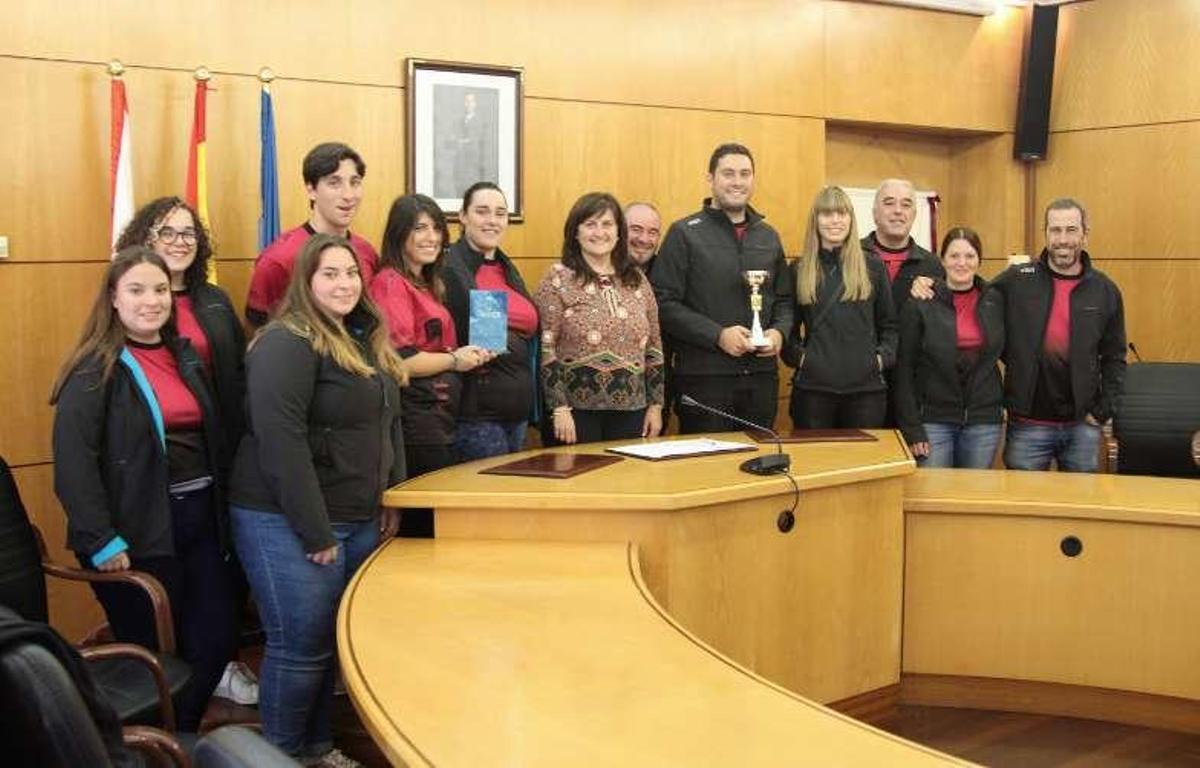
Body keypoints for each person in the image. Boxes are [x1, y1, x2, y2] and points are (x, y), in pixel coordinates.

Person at [229, 234, 407, 763]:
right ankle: (279, 757)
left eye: (350, 273)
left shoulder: (361, 336)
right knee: (298, 645)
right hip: (286, 519)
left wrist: (389, 495)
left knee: (329, 643)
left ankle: (318, 748)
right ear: (305, 283)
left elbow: (388, 422)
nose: (343, 283)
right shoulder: (286, 341)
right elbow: (279, 444)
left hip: (355, 514)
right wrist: (316, 531)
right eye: (329, 274)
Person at [51, 247, 236, 733]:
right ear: (113, 298)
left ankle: (174, 737)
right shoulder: (95, 367)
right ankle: (150, 745)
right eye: (136, 290)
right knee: (154, 659)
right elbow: (73, 465)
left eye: (159, 290)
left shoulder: (184, 355)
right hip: (135, 536)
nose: (151, 301)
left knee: (216, 638)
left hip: (201, 523)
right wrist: (100, 539)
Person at [115, 196, 255, 704]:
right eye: (166, 233)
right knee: (169, 605)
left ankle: (206, 682)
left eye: (188, 234)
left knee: (217, 595)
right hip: (153, 483)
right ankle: (173, 708)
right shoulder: (130, 314)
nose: (179, 242)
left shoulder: (213, 301)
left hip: (215, 463)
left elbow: (237, 378)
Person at [911, 198, 1127, 472]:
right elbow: (970, 287)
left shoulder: (1105, 291)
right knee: (1023, 510)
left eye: (1071, 230)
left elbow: (1115, 357)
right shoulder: (1017, 279)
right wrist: (929, 282)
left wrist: (1102, 411)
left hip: (1082, 427)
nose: (1063, 239)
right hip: (1027, 425)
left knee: (1080, 509)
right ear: (1045, 233)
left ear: (1085, 234)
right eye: (1055, 230)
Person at [369, 194, 494, 536]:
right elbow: (401, 361)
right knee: (423, 530)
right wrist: (456, 360)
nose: (432, 237)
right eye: (419, 228)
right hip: (416, 425)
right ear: (399, 235)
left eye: (437, 228)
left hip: (439, 421)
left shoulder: (425, 282)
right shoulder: (391, 283)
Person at [651, 143, 793, 433]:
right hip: (705, 380)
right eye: (728, 173)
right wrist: (717, 335)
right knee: (709, 471)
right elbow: (663, 303)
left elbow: (785, 301)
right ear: (710, 178)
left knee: (760, 469)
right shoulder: (684, 233)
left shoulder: (769, 237)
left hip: (761, 380)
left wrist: (779, 332)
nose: (737, 182)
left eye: (745, 174)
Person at [535, 192, 664, 444]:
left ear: (619, 233)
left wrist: (656, 405)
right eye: (590, 224)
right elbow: (546, 348)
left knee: (625, 482)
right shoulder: (557, 279)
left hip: (633, 411)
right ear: (575, 232)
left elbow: (654, 347)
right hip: (574, 414)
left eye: (607, 224)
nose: (599, 232)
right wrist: (559, 409)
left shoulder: (637, 280)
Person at [783, 186, 897, 429]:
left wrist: (877, 361)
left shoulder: (873, 267)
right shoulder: (799, 270)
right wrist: (804, 360)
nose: (835, 221)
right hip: (813, 393)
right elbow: (786, 330)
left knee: (863, 465)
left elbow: (890, 326)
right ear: (816, 220)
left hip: (866, 394)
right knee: (816, 464)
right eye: (827, 214)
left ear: (851, 219)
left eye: (842, 213)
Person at [442, 182, 540, 460]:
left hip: (516, 412)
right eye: (482, 211)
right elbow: (468, 336)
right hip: (478, 415)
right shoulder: (450, 267)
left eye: (500, 213)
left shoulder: (506, 267)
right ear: (462, 216)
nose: (492, 221)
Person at [895, 227, 1004, 467]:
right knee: (935, 497)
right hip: (934, 421)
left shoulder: (995, 300)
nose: (962, 263)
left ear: (979, 260)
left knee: (975, 500)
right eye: (954, 256)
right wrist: (912, 428)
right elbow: (904, 369)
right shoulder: (921, 301)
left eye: (969, 256)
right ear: (942, 259)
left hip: (983, 421)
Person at [246, 142, 379, 327]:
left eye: (354, 182)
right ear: (311, 190)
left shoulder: (367, 252)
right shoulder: (278, 258)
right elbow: (256, 330)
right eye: (334, 183)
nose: (348, 195)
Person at [861, 178, 944, 313]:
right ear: (875, 213)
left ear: (914, 215)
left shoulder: (932, 266)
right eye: (889, 203)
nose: (898, 210)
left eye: (906, 205)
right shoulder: (851, 257)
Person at [625, 202, 663, 273]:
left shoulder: (667, 272)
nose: (644, 239)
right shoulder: (603, 269)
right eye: (636, 229)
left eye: (652, 232)